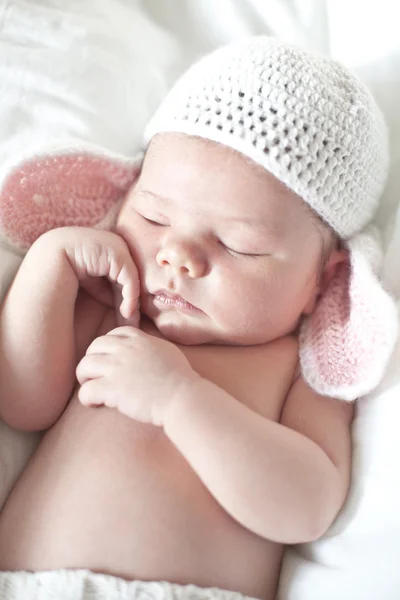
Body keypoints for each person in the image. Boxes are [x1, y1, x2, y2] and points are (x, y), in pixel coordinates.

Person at [0, 36, 396, 600]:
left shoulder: (298, 369)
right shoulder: (117, 309)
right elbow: (20, 402)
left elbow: (304, 506)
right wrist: (52, 261)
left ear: (323, 280)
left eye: (239, 246)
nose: (176, 255)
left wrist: (180, 400)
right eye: (154, 215)